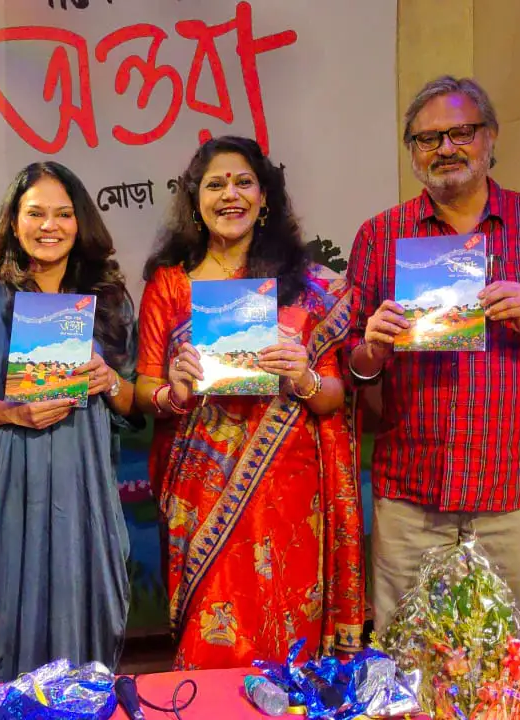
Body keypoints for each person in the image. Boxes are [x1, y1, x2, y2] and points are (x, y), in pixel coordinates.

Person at [347, 76, 520, 638]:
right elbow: (353, 367)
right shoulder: (380, 235)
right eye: (427, 139)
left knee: (510, 666)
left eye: (461, 132)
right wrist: (372, 347)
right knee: (406, 661)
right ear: (413, 152)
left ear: (490, 137)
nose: (445, 148)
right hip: (410, 498)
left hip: (513, 494)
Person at [134, 136, 365, 670]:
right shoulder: (169, 283)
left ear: (265, 198)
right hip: (201, 493)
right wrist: (175, 388)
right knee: (210, 639)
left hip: (290, 492)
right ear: (195, 199)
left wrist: (302, 375)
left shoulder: (304, 285)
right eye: (215, 184)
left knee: (290, 645)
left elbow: (332, 397)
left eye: (243, 182)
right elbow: (145, 389)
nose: (229, 195)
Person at [0, 162, 137, 682]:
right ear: (14, 222)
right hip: (7, 480)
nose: (49, 226)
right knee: (10, 622)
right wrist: (9, 411)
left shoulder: (111, 301)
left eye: (63, 214)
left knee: (89, 616)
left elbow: (137, 404)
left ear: (81, 224)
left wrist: (109, 382)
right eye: (35, 213)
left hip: (84, 483)